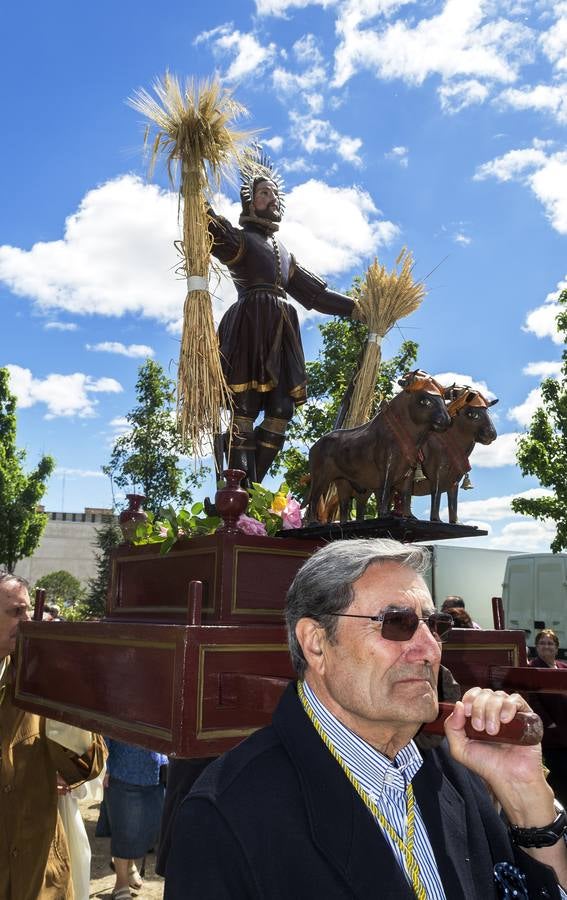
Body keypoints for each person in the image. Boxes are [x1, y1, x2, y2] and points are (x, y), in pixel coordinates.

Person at [165, 539, 567, 899]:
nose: (429, 648)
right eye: (397, 623)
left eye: (434, 625)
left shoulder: (454, 774)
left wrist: (527, 804)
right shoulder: (227, 815)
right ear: (316, 644)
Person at [208, 148, 363, 483]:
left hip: (280, 335)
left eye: (275, 195)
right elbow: (209, 230)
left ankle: (250, 488)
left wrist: (358, 309)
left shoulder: (285, 255)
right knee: (245, 408)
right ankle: (238, 487)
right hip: (249, 327)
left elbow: (316, 296)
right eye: (265, 193)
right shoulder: (241, 241)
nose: (272, 199)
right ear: (250, 201)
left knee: (281, 410)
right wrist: (196, 199)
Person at [0, 572, 107, 900]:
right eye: (15, 612)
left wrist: (63, 691)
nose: (27, 619)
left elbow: (91, 762)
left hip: (39, 871)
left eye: (28, 610)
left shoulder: (39, 676)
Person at [100, 738, 168, 899]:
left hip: (155, 767)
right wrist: (105, 767)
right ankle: (120, 884)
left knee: (145, 825)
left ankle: (129, 867)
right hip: (123, 767)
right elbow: (107, 727)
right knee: (125, 828)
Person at [529, 629, 567, 807]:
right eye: (542, 643)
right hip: (551, 735)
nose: (546, 646)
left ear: (557, 647)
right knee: (557, 776)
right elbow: (532, 699)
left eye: (550, 643)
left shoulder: (563, 668)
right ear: (536, 646)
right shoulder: (532, 668)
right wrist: (549, 723)